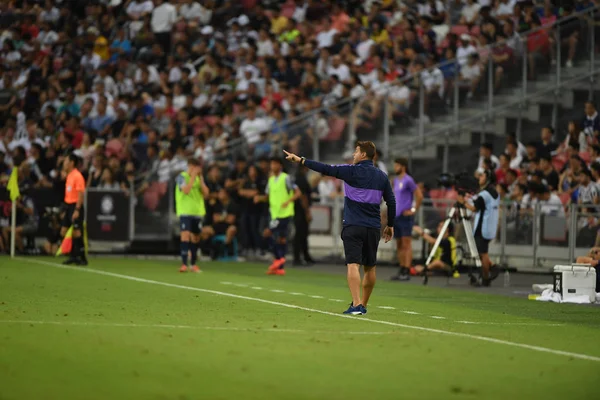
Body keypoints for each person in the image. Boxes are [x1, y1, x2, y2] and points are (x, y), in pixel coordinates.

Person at [283, 141, 396, 316]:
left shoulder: (349, 171)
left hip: (353, 225)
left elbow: (325, 168)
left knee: (353, 264)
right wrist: (390, 224)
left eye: (356, 151)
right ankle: (363, 305)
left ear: (363, 155)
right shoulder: (382, 176)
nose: (353, 154)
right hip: (373, 228)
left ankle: (356, 303)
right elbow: (391, 201)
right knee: (370, 267)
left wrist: (301, 160)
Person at [253, 157, 301, 276]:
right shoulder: (271, 180)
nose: (272, 166)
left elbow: (298, 193)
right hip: (275, 214)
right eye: (271, 164)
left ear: (280, 165)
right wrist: (259, 198)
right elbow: (268, 196)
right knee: (281, 239)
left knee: (267, 233)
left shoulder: (286, 178)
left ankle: (279, 259)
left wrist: (288, 201)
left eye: (275, 164)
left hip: (284, 214)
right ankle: (280, 268)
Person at [457, 169, 500, 286]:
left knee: (482, 253)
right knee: (482, 251)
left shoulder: (484, 195)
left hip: (483, 228)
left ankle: (486, 278)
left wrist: (463, 202)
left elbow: (474, 209)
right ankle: (492, 267)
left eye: (482, 176)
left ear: (488, 178)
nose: (479, 178)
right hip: (491, 227)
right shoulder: (494, 192)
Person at [390, 158, 423, 281]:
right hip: (396, 216)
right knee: (399, 244)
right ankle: (402, 268)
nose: (395, 168)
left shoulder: (408, 180)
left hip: (405, 216)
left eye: (397, 165)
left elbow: (419, 195)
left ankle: (407, 270)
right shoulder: (395, 180)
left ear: (403, 166)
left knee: (406, 244)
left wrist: (413, 210)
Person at [175, 158, 209, 273]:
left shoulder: (199, 179)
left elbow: (206, 194)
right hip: (185, 211)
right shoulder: (181, 177)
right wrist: (193, 177)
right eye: (195, 167)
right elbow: (186, 190)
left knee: (195, 238)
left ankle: (193, 264)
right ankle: (184, 264)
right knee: (185, 235)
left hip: (197, 212)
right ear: (190, 166)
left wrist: (201, 179)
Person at [61, 153, 87, 265]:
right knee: (64, 231)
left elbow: (81, 193)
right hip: (69, 206)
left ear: (71, 163)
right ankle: (74, 254)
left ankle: (81, 257)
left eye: (66, 161)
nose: (64, 163)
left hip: (75, 206)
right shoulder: (69, 175)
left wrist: (77, 209)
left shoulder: (77, 176)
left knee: (77, 232)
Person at [293, 164, 315, 266]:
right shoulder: (301, 180)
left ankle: (305, 256)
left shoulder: (297, 179)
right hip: (300, 211)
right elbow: (303, 197)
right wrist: (307, 212)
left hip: (297, 210)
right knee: (300, 234)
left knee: (302, 233)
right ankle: (297, 257)